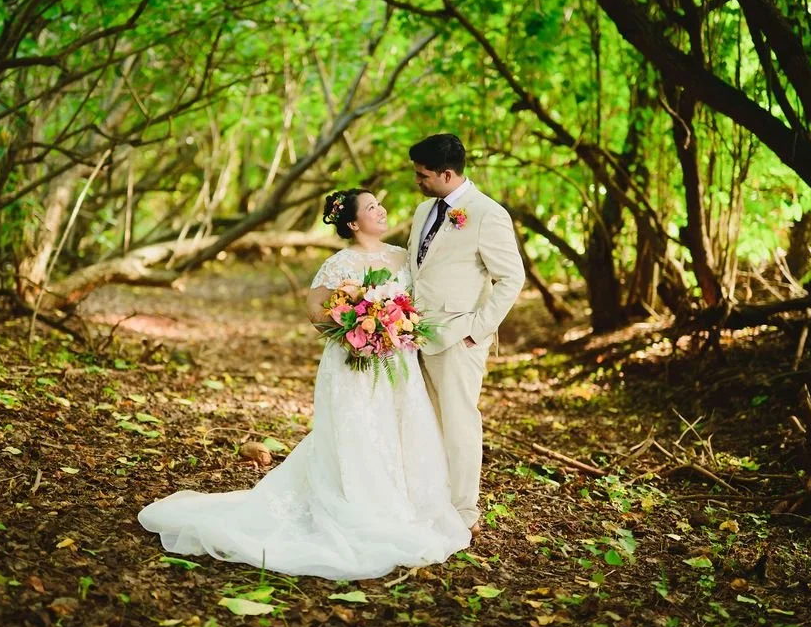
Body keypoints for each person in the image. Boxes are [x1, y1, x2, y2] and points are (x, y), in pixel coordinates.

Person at [137, 189, 470, 580]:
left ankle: (409, 504)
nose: (381, 211)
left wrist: (395, 326)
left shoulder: (403, 256)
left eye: (380, 204)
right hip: (354, 363)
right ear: (351, 223)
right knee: (358, 432)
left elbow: (419, 302)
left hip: (398, 361)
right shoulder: (338, 263)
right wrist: (357, 326)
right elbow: (316, 312)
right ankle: (360, 504)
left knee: (401, 429)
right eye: (371, 208)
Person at [407, 133, 526, 537]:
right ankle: (433, 499)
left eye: (423, 175)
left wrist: (478, 330)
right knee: (426, 422)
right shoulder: (425, 209)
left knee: (460, 424)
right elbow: (417, 267)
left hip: (460, 337)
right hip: (416, 336)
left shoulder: (487, 213)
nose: (417, 181)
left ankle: (464, 510)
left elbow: (512, 278)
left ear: (447, 173)